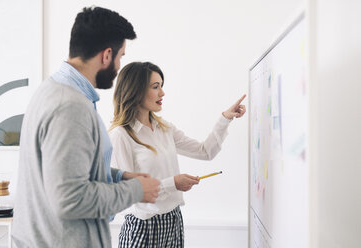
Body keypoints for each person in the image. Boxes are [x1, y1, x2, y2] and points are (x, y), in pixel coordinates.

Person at [12, 7, 160, 248]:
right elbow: (70, 198)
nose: (120, 66)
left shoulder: (54, 91)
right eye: (121, 56)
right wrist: (135, 190)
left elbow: (65, 171)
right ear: (106, 55)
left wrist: (119, 177)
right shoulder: (69, 107)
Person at [108, 62, 246, 247]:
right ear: (136, 90)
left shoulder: (164, 128)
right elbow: (127, 192)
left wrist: (225, 118)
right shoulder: (121, 135)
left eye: (161, 86)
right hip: (143, 226)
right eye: (156, 87)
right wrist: (173, 183)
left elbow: (205, 152)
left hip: (173, 221)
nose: (162, 93)